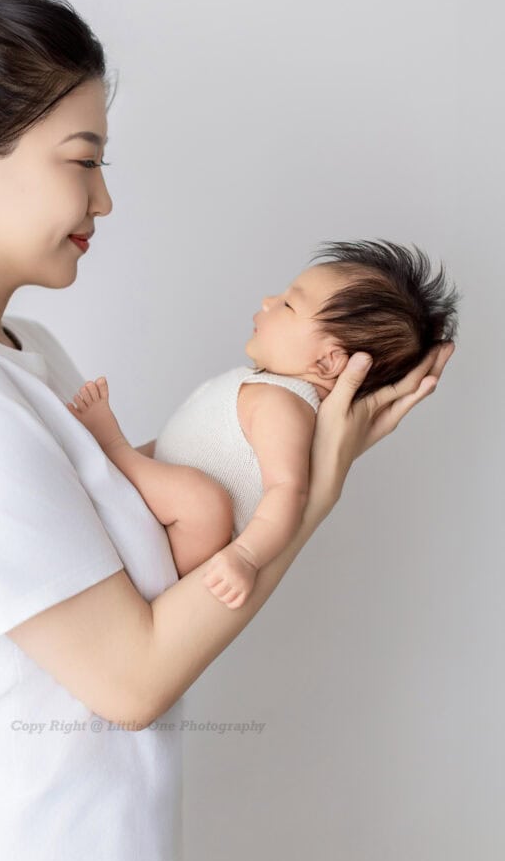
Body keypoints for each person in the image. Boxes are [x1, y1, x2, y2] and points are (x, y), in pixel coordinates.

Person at [0, 0, 455, 861]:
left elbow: (162, 611)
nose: (103, 199)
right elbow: (130, 681)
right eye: (82, 161)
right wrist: (314, 497)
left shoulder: (25, 351)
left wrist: (309, 468)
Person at [66, 240, 460, 609]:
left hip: (174, 549)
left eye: (288, 305)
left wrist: (246, 556)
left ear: (326, 362)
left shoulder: (283, 405)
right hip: (148, 526)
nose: (268, 301)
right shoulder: (260, 386)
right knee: (174, 467)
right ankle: (110, 463)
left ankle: (112, 448)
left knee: (202, 501)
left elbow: (288, 490)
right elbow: (184, 445)